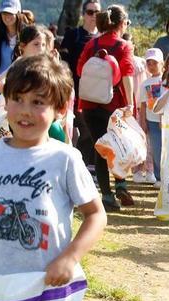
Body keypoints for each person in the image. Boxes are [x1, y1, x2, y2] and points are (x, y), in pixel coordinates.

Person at [0, 52, 107, 291]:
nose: (25, 110)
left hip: (48, 285)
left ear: (59, 109)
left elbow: (96, 215)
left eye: (37, 102)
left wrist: (70, 258)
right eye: (17, 99)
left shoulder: (65, 159)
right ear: (5, 101)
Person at [77, 4, 135, 211]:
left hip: (89, 104)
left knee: (100, 148)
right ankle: (120, 184)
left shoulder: (91, 44)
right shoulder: (123, 46)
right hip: (114, 104)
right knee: (120, 145)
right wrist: (130, 103)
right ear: (122, 23)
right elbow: (127, 74)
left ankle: (107, 196)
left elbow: (80, 70)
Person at [60, 0, 100, 175]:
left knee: (89, 132)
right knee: (71, 130)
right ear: (83, 14)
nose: (94, 16)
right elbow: (63, 63)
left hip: (95, 94)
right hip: (72, 91)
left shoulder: (102, 38)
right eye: (90, 12)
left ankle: (83, 168)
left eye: (97, 12)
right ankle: (74, 167)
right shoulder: (73, 35)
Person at [137, 47, 163, 184]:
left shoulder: (167, 81)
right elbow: (143, 105)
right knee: (156, 149)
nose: (152, 66)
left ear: (162, 63)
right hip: (151, 121)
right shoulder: (145, 84)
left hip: (167, 121)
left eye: (155, 63)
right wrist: (143, 122)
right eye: (149, 63)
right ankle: (158, 177)